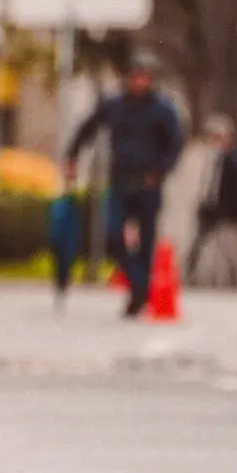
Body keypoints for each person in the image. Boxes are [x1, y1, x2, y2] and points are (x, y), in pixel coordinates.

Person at [65, 55, 184, 317]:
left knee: (146, 241)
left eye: (144, 77)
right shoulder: (114, 105)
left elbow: (175, 144)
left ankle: (137, 295)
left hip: (149, 182)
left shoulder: (162, 109)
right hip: (120, 180)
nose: (139, 82)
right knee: (113, 233)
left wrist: (161, 170)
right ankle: (140, 285)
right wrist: (72, 157)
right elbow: (87, 128)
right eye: (135, 76)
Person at [188, 113, 237, 288]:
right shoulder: (215, 160)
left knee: (234, 256)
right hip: (217, 217)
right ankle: (222, 285)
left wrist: (236, 214)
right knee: (219, 256)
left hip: (230, 217)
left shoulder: (233, 161)